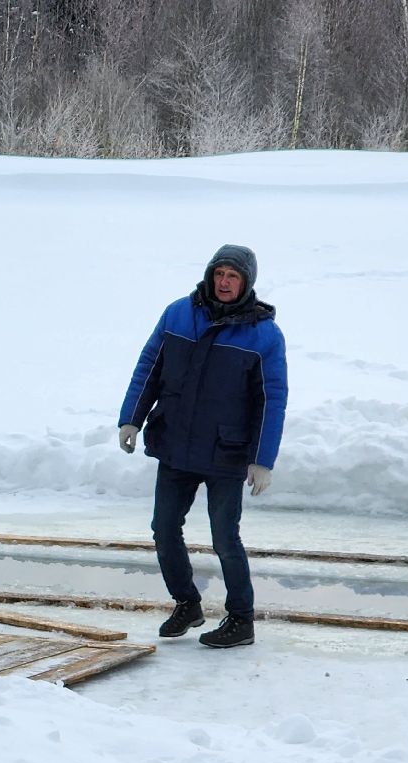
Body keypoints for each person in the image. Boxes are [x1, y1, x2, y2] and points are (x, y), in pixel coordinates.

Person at [118, 244, 288, 649]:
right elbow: (150, 367)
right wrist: (131, 417)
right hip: (176, 443)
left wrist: (262, 459)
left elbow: (272, 398)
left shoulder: (263, 334)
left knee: (225, 539)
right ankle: (187, 603)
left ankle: (241, 619)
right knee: (163, 529)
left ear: (247, 282)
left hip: (225, 451)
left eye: (233, 276)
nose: (224, 282)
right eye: (219, 274)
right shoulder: (179, 313)